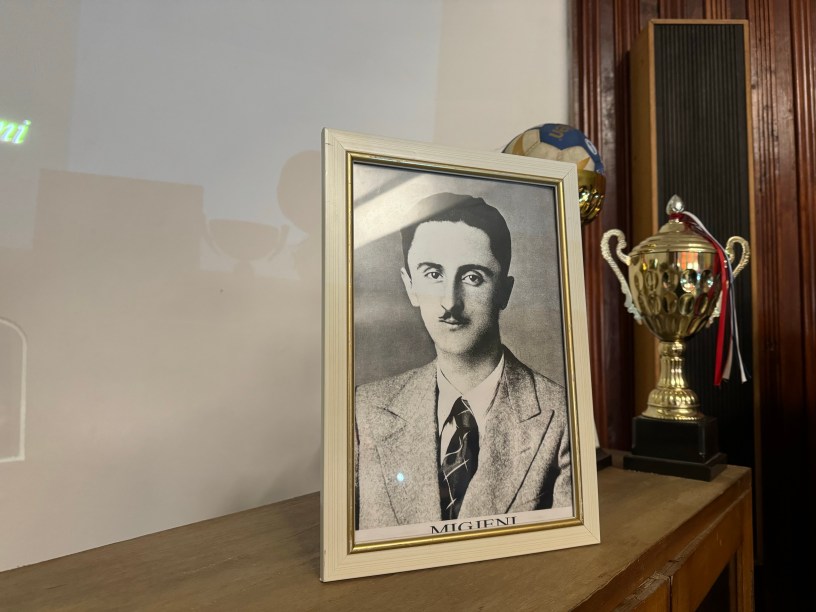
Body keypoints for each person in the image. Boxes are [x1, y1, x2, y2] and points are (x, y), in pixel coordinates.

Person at [355, 192, 571, 530]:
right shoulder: (364, 409)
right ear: (410, 285)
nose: (450, 303)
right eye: (433, 274)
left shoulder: (561, 417)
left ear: (504, 291)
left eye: (473, 277)